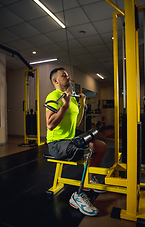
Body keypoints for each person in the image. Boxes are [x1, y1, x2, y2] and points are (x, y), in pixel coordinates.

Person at [45, 67, 107, 216]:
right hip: (57, 144)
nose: (68, 77)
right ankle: (77, 196)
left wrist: (83, 104)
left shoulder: (71, 97)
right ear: (55, 80)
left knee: (100, 146)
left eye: (67, 75)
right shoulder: (53, 96)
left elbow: (78, 123)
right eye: (64, 75)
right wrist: (64, 106)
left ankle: (89, 180)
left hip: (70, 138)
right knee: (89, 150)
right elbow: (50, 124)